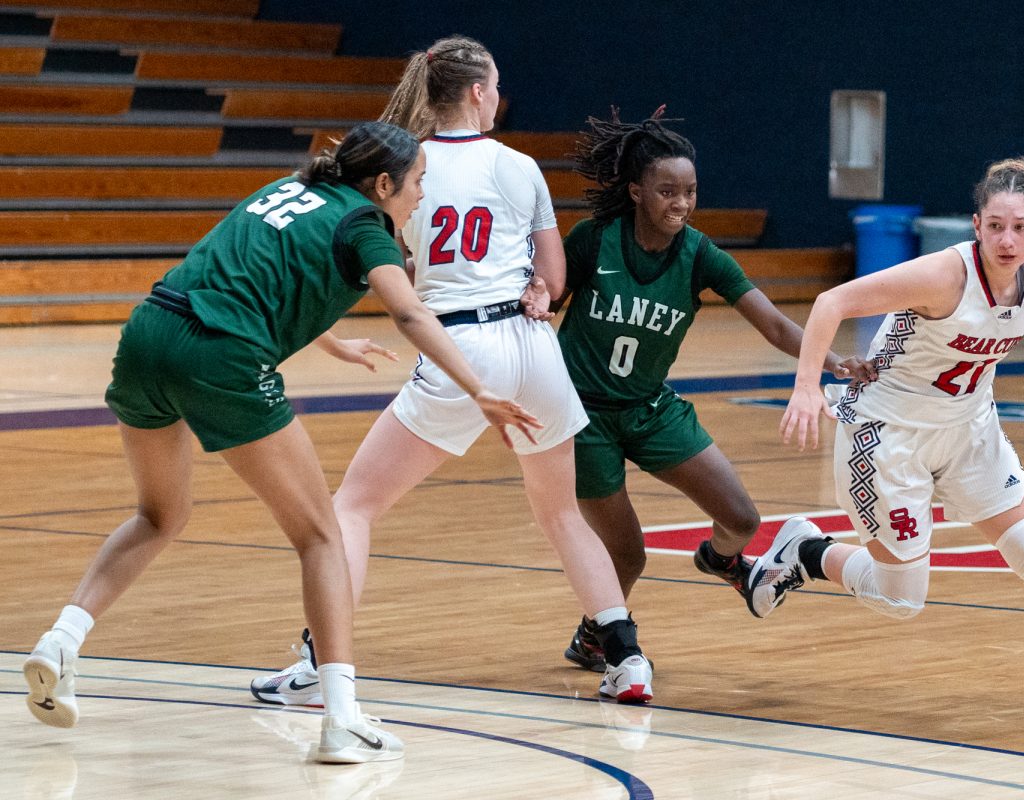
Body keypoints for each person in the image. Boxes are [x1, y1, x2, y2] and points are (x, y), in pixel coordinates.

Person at [22, 121, 542, 764]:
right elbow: (410, 311)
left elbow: (252, 267)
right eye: (417, 186)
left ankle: (61, 641)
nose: (421, 199)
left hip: (148, 336)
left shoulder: (285, 190)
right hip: (221, 357)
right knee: (322, 534)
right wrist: (478, 390)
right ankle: (341, 717)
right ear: (382, 184)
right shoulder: (365, 225)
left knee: (159, 516)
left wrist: (332, 341)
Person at [249, 36, 653, 707]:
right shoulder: (521, 167)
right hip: (532, 346)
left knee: (352, 506)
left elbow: (396, 271)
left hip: (461, 344)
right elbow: (552, 280)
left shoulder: (402, 166)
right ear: (475, 92)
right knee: (560, 512)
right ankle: (628, 660)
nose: (500, 96)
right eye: (495, 85)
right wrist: (535, 294)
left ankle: (322, 670)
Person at [748, 156, 1024, 722]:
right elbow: (832, 303)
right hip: (888, 436)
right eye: (995, 225)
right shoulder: (944, 275)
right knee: (901, 598)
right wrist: (806, 388)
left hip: (971, 431)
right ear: (976, 225)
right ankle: (805, 551)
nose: (1007, 238)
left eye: (1019, 227)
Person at [550, 108, 875, 672]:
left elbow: (774, 324)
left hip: (651, 408)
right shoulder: (592, 240)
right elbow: (542, 307)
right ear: (636, 192)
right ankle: (592, 635)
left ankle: (720, 562)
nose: (680, 203)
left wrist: (832, 359)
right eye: (666, 191)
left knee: (743, 520)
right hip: (584, 417)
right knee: (628, 552)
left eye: (690, 191)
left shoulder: (701, 254)